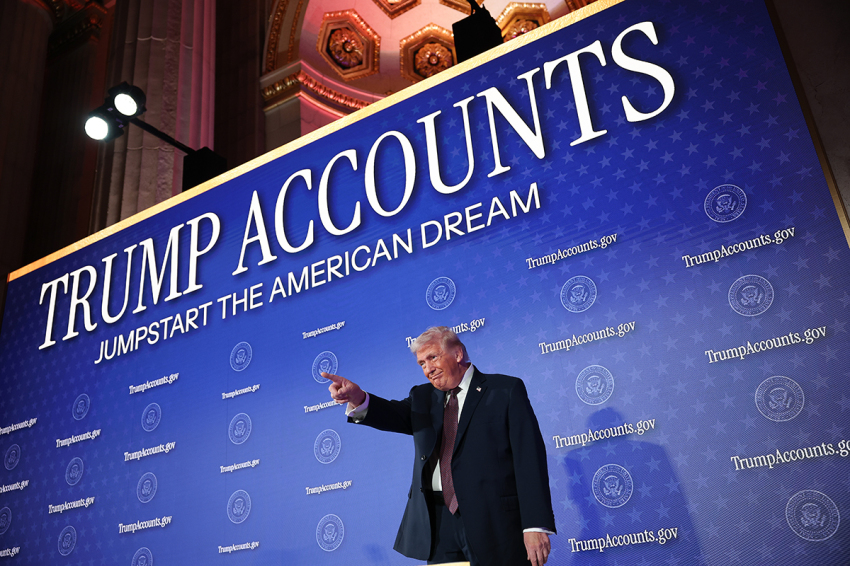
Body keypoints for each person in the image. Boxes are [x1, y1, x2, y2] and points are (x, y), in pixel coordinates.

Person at [325, 326, 555, 566]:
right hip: (439, 523)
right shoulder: (422, 397)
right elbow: (391, 414)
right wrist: (358, 398)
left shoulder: (504, 390)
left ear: (457, 354)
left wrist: (535, 524)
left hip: (495, 521)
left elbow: (529, 459)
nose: (428, 369)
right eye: (422, 364)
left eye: (432, 357)